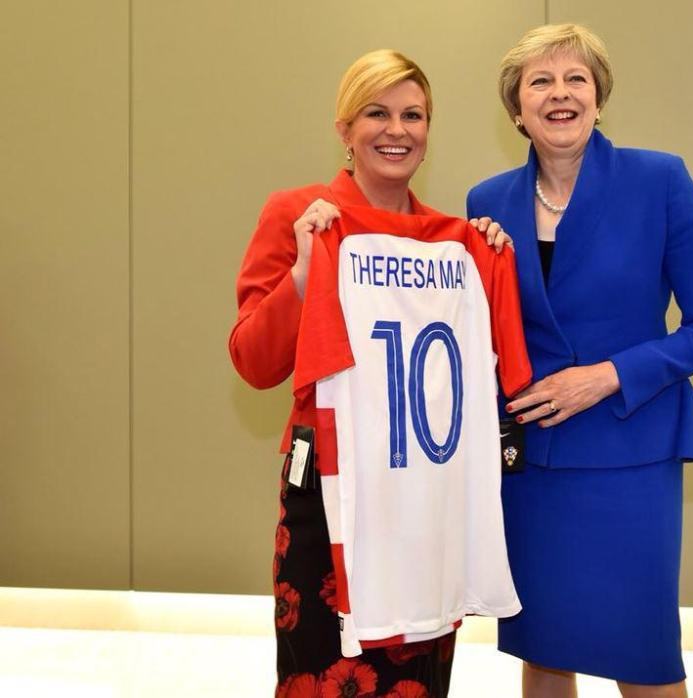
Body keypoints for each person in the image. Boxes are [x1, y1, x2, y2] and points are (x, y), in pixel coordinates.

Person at [466, 24, 693, 698]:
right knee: (545, 651)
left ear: (598, 96)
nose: (560, 94)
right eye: (542, 82)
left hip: (631, 454)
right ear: (517, 107)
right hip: (533, 467)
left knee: (643, 656)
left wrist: (608, 376)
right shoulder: (486, 202)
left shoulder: (660, 179)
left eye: (575, 80)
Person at [229, 49, 508, 698]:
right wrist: (302, 270)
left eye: (414, 115)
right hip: (326, 500)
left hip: (422, 497)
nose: (397, 130)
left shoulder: (445, 242)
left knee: (416, 679)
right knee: (324, 680)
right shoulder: (296, 213)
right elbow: (252, 360)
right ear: (345, 130)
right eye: (377, 113)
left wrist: (487, 264)